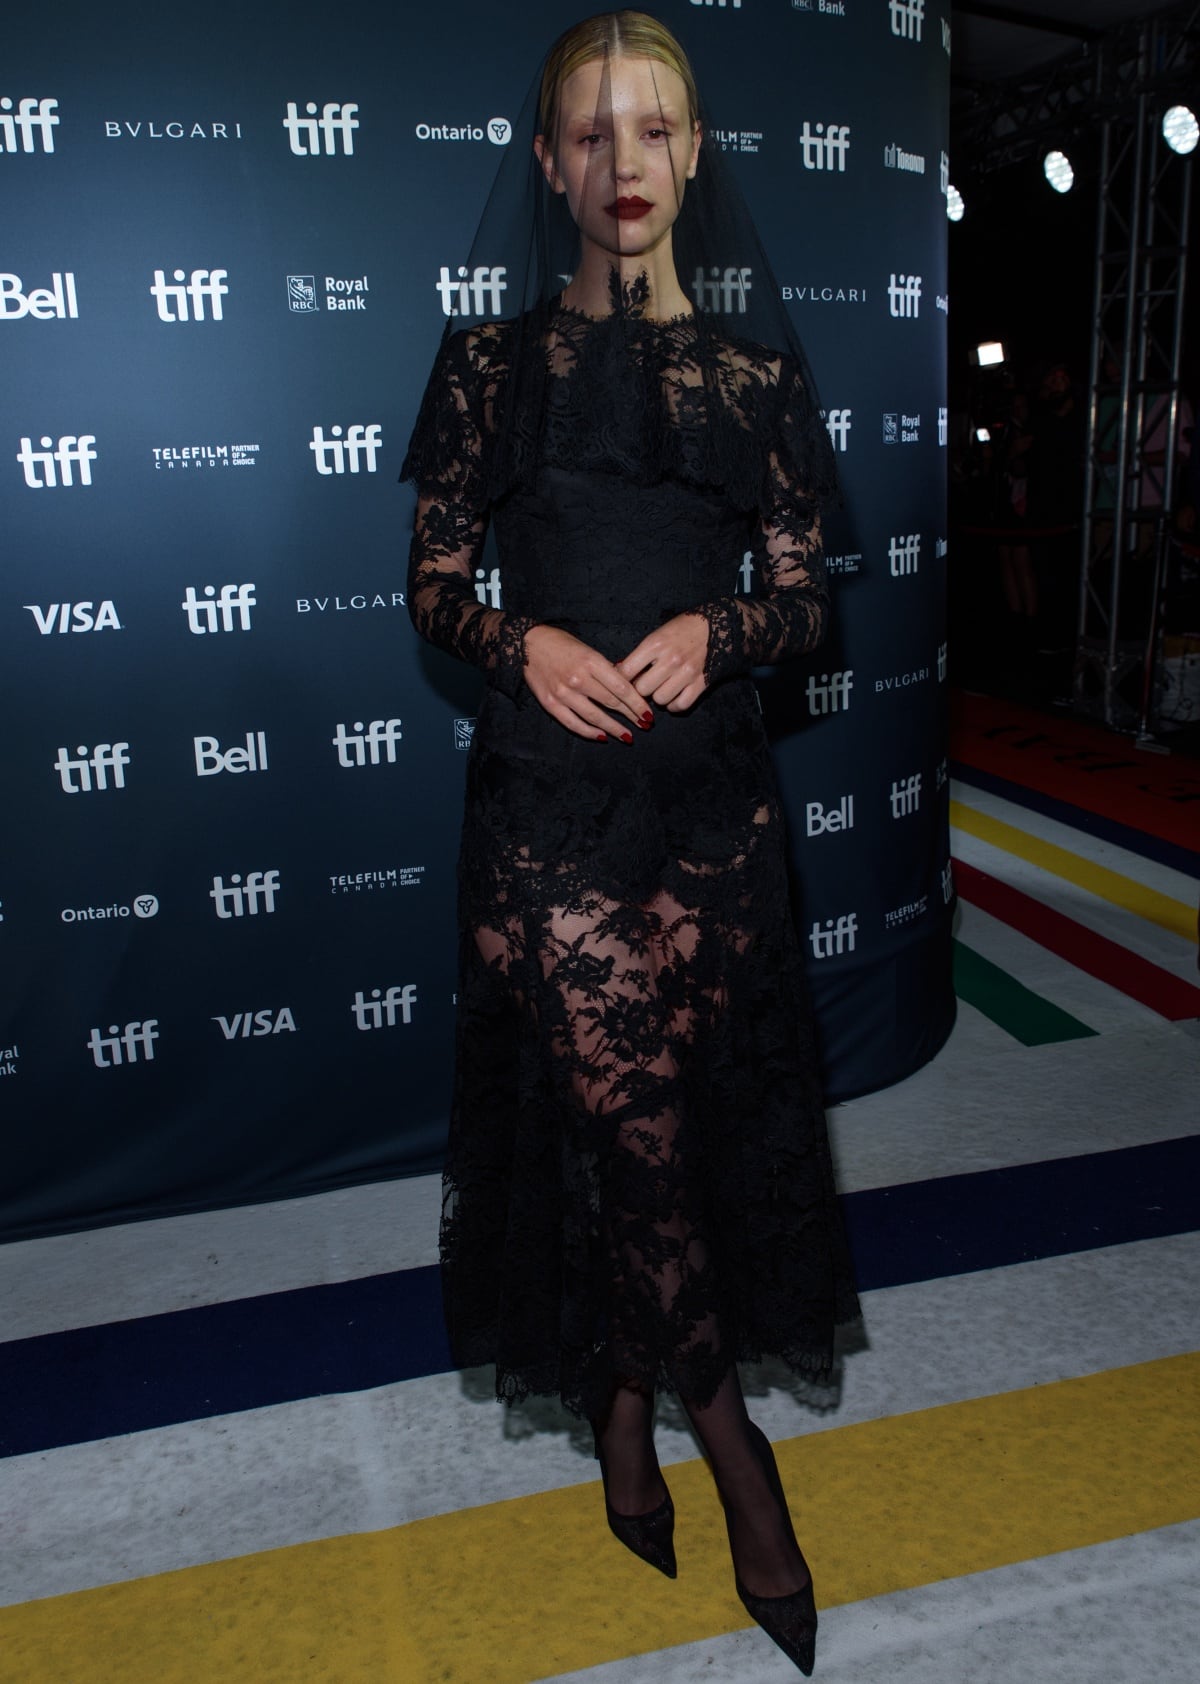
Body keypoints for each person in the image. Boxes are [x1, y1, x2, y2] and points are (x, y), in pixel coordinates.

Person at [402, 12, 860, 1674]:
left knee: (676, 1130)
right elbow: (435, 588)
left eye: (653, 132)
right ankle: (736, 1453)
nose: (624, 166)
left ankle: (615, 1409)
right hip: (548, 805)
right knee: (622, 1122)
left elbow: (810, 594)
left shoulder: (753, 378)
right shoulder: (485, 371)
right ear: (548, 163)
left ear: (691, 158)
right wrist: (519, 638)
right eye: (590, 135)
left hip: (713, 807)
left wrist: (724, 634)